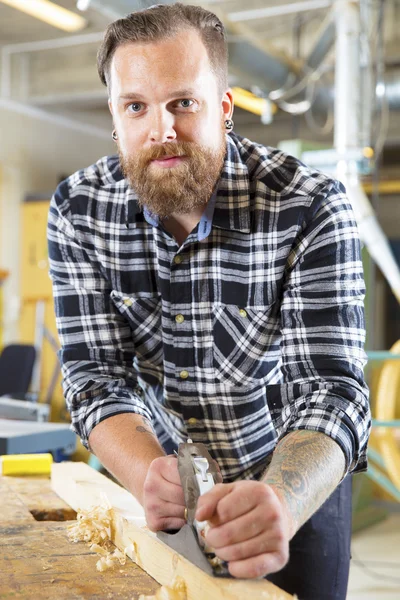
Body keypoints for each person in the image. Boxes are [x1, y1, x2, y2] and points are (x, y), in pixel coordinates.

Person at [48, 4, 370, 599]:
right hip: (165, 483)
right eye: (136, 106)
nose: (161, 129)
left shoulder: (310, 206)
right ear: (115, 119)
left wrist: (280, 499)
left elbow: (332, 390)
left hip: (292, 488)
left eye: (183, 103)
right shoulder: (77, 211)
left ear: (223, 108)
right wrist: (150, 475)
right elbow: (95, 376)